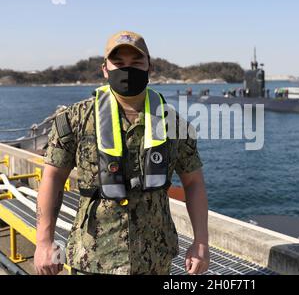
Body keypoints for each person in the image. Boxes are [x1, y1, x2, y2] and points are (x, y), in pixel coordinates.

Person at [34, 31, 210, 275]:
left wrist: (201, 241)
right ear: (105, 69)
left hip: (155, 261)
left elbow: (194, 182)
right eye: (119, 63)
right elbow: (52, 178)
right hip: (93, 259)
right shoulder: (75, 119)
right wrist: (44, 241)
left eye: (136, 63)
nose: (127, 70)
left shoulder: (175, 125)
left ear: (150, 67)